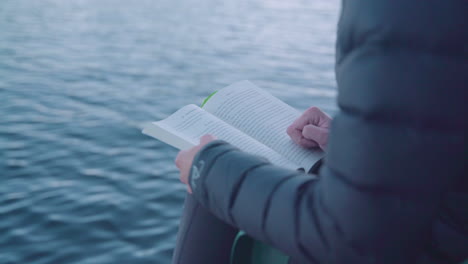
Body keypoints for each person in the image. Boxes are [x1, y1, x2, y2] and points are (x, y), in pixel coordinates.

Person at [172, 0, 467, 263]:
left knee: (210, 174)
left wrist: (208, 171)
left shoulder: (400, 12)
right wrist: (355, 141)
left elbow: (354, 236)